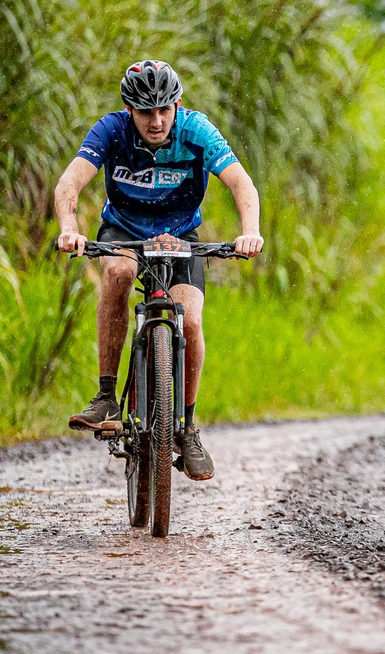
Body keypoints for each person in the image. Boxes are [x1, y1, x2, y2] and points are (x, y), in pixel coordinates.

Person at [53, 60, 265, 481]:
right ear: (128, 110)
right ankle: (107, 396)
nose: (156, 121)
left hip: (180, 235)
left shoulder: (197, 130)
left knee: (191, 321)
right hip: (124, 230)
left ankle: (186, 428)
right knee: (118, 274)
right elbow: (69, 183)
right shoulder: (111, 130)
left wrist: (250, 232)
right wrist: (69, 228)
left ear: (177, 105)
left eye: (164, 110)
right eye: (145, 112)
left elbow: (242, 183)